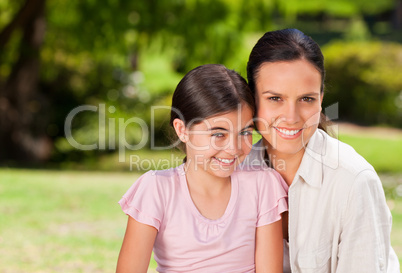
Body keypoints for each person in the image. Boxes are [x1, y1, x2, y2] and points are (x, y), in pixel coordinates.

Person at [244, 28, 400, 272]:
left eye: (306, 99)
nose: (292, 117)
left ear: (321, 97)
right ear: (253, 100)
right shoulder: (237, 172)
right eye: (275, 98)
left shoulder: (353, 181)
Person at [116, 64, 288, 273]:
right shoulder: (157, 189)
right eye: (218, 134)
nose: (233, 148)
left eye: (245, 132)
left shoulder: (263, 186)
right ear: (182, 130)